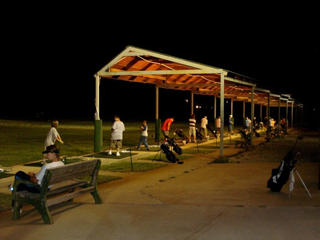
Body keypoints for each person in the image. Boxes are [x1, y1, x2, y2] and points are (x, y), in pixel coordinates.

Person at [9, 145, 64, 213]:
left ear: (53, 153)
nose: (46, 155)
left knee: (19, 175)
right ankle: (14, 193)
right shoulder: (61, 164)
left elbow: (34, 180)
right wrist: (35, 175)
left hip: (38, 188)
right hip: (47, 187)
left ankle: (15, 205)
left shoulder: (47, 166)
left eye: (48, 153)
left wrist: (30, 175)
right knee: (20, 185)